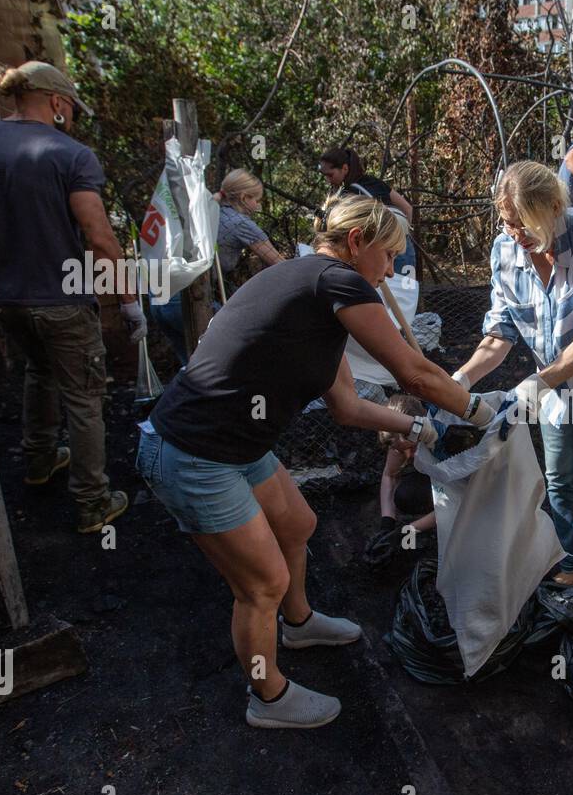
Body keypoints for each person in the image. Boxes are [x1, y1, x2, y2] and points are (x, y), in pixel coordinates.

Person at [137, 195, 496, 729]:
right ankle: (269, 697)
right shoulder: (338, 281)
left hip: (234, 444)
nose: (394, 269)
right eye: (390, 255)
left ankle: (299, 624)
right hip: (192, 452)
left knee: (298, 524)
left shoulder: (310, 290)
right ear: (358, 243)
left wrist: (420, 428)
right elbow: (415, 374)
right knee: (261, 585)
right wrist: (479, 411)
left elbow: (348, 408)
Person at [0, 61, 138, 534]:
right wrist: (128, 301)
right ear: (56, 102)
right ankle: (92, 503)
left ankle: (39, 460)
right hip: (62, 299)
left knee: (38, 369)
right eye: (70, 105)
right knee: (85, 397)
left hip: (1, 300)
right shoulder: (68, 153)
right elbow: (100, 236)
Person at [453, 161, 573, 587]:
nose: (514, 235)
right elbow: (500, 332)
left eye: (524, 225)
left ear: (555, 209)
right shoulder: (504, 251)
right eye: (507, 223)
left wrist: (537, 384)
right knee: (558, 475)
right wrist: (462, 378)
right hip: (553, 382)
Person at [154, 168, 283, 365]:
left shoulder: (205, 209)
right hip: (185, 302)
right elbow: (278, 262)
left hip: (159, 298)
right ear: (244, 197)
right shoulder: (240, 223)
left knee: (191, 366)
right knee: (237, 349)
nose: (258, 206)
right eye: (256, 199)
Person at [318, 146, 417, 279]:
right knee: (406, 291)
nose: (328, 180)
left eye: (330, 175)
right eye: (325, 176)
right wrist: (403, 234)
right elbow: (407, 208)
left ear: (345, 169)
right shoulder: (374, 182)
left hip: (378, 250)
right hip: (403, 244)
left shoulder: (348, 195)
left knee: (382, 293)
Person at [378, 394, 435, 536]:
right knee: (406, 496)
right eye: (402, 450)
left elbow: (458, 501)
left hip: (480, 487)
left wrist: (409, 530)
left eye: (414, 447)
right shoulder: (399, 437)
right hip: (435, 473)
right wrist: (387, 523)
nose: (409, 456)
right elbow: (389, 475)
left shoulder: (446, 437)